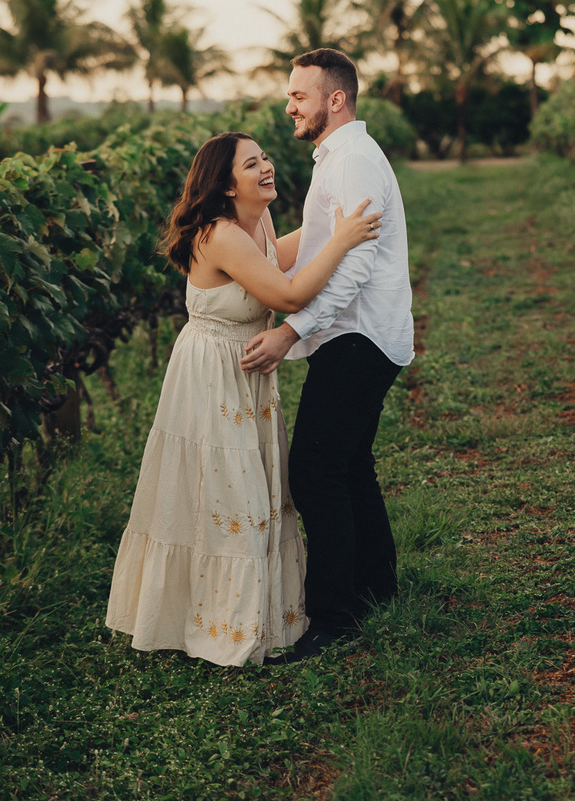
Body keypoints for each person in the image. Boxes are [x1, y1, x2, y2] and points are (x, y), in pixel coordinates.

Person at [105, 131, 382, 667]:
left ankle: (252, 611)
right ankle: (215, 620)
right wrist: (341, 241)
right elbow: (289, 294)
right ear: (227, 186)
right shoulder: (221, 235)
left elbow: (275, 257)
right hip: (212, 374)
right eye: (251, 164)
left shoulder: (257, 223)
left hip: (246, 374)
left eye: (265, 158)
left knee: (250, 490)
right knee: (229, 496)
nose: (266, 167)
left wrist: (331, 224)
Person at [241, 49, 415, 659]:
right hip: (359, 334)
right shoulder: (340, 159)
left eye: (299, 96)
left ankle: (334, 619)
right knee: (348, 465)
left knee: (315, 472)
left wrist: (290, 330)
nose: (289, 106)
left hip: (358, 335)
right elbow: (318, 244)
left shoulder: (353, 164)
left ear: (334, 100)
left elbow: (353, 270)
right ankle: (376, 589)